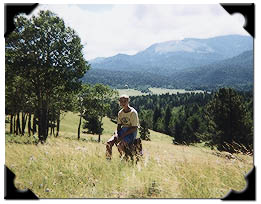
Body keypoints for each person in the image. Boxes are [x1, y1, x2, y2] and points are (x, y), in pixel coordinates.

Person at [106, 94, 139, 159]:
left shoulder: (133, 113)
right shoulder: (120, 113)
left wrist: (123, 136)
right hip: (122, 131)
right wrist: (117, 134)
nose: (123, 103)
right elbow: (119, 126)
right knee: (109, 143)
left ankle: (125, 158)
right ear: (119, 102)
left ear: (128, 101)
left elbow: (134, 127)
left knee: (120, 145)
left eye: (125, 101)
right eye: (121, 101)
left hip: (130, 133)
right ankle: (108, 160)